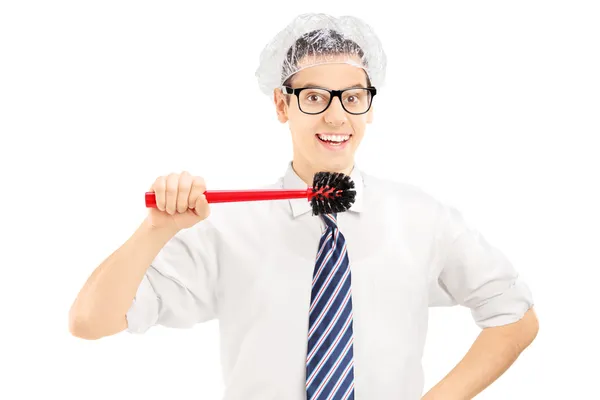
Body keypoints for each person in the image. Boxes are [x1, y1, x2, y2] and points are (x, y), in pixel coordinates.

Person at [69, 13, 538, 400]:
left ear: (370, 107)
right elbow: (90, 322)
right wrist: (155, 229)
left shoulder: (422, 218)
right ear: (281, 104)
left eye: (353, 98)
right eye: (314, 97)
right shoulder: (226, 228)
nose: (336, 116)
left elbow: (515, 316)